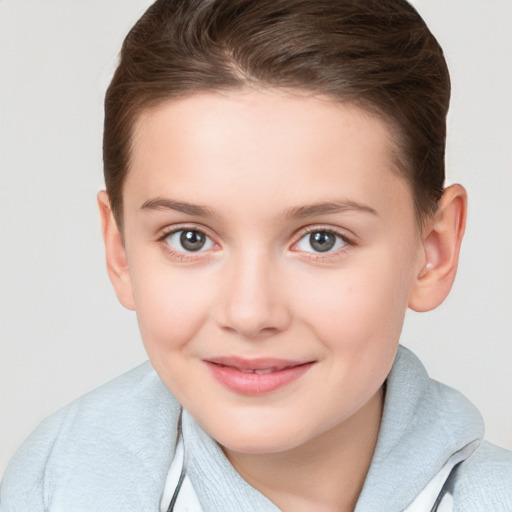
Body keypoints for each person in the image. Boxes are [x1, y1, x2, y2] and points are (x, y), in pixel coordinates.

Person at [1, 0, 511, 510]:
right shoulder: (52, 489)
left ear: (434, 250)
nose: (250, 313)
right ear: (120, 251)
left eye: (321, 240)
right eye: (190, 238)